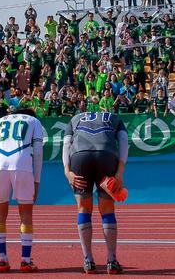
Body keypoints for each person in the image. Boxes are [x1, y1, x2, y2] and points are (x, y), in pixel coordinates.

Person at [62, 111, 128, 274]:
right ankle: (112, 260)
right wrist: (119, 172)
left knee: (83, 208)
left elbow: (66, 144)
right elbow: (124, 142)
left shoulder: (75, 119)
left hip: (79, 156)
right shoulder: (115, 117)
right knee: (107, 210)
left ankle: (88, 260)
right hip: (106, 154)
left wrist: (67, 171)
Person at [0, 108, 45, 273]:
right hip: (22, 164)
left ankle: (2, 259)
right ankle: (25, 261)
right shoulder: (34, 121)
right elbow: (39, 153)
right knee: (26, 215)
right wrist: (37, 180)